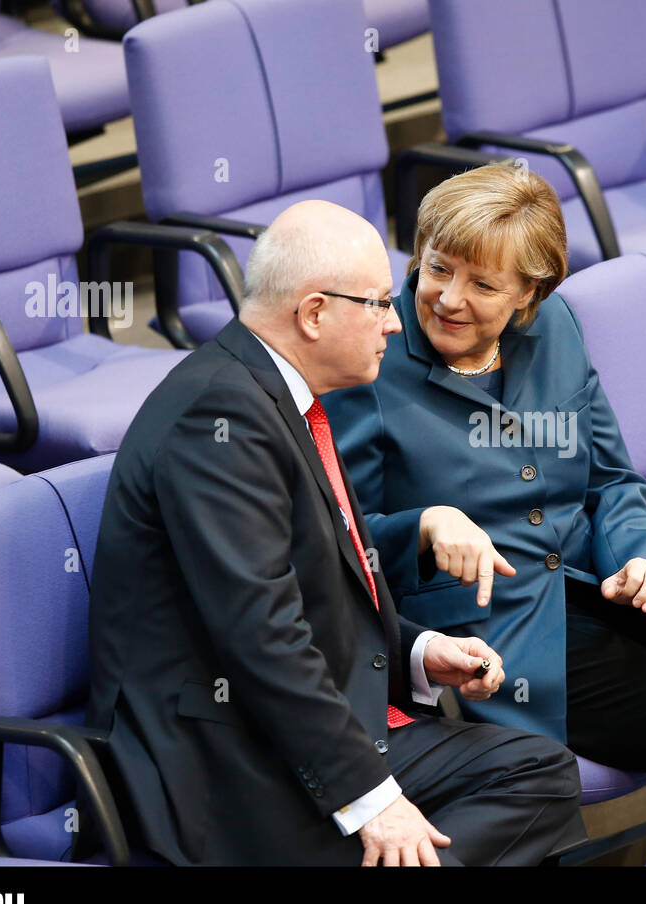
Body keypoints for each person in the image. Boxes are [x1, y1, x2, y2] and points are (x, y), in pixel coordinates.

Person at [322, 166, 646, 827]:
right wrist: (425, 526)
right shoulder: (371, 361)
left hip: (593, 577)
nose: (449, 298)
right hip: (495, 622)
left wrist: (638, 557)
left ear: (530, 293)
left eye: (483, 284)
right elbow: (345, 542)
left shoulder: (557, 329)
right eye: (437, 269)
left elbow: (610, 479)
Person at [82, 200, 585, 865]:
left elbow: (318, 589)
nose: (395, 322)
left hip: (316, 720)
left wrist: (417, 651)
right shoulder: (217, 417)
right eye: (378, 304)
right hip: (228, 759)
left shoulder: (281, 396)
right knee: (415, 836)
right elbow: (262, 636)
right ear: (315, 313)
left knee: (538, 773)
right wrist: (374, 801)